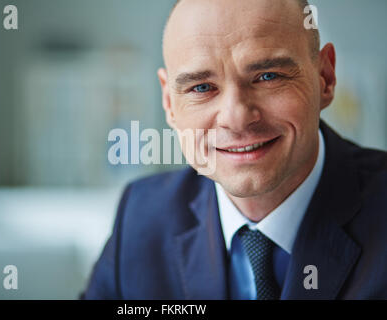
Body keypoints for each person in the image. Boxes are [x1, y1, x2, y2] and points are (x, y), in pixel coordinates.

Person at [83, 0, 387, 299]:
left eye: (268, 77)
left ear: (325, 78)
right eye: (201, 87)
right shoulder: (142, 215)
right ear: (169, 102)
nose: (237, 118)